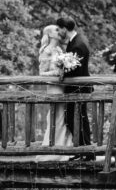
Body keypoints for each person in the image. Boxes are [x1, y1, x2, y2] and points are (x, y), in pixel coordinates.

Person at [56, 16, 93, 157]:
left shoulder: (78, 44)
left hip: (79, 88)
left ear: (65, 29)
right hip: (76, 88)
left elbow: (75, 68)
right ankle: (81, 151)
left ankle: (87, 153)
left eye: (59, 29)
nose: (58, 32)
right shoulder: (75, 40)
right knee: (74, 119)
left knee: (78, 120)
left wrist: (62, 69)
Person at [37, 24, 71, 147]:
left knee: (64, 117)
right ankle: (52, 146)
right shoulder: (46, 51)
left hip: (63, 87)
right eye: (56, 30)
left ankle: (65, 145)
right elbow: (41, 73)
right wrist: (56, 73)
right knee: (56, 116)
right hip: (53, 88)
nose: (59, 31)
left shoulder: (59, 50)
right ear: (50, 34)